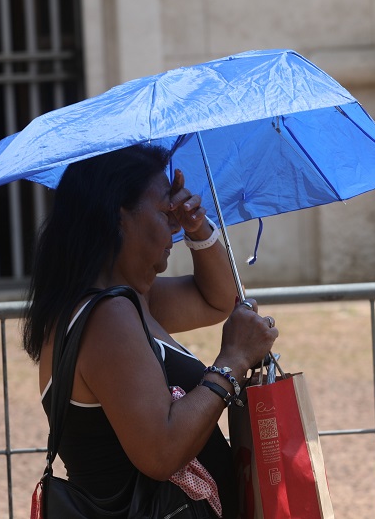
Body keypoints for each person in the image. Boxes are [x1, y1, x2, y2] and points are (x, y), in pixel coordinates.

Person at [22, 144, 278, 518]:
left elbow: (218, 299)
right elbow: (160, 453)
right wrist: (232, 361)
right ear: (118, 216)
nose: (173, 227)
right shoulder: (106, 318)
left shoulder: (125, 302)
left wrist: (197, 226)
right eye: (164, 211)